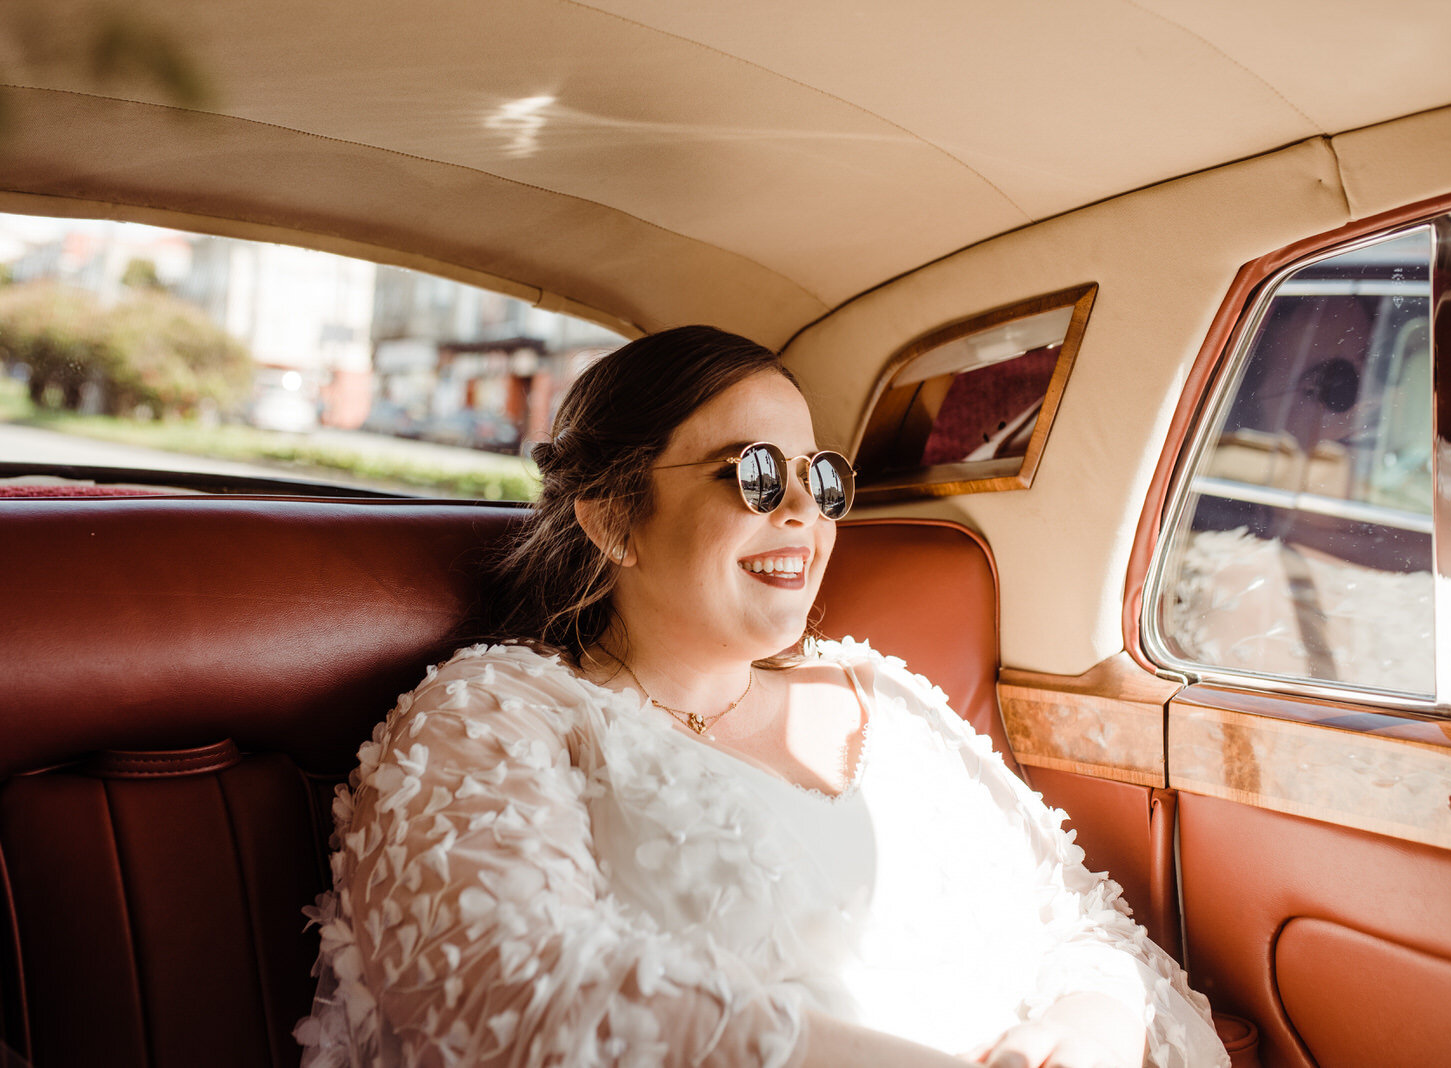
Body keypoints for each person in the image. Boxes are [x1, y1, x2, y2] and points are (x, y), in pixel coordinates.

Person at [294, 327, 1230, 1068]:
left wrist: (1091, 1024)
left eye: (820, 478)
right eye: (752, 474)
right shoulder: (492, 715)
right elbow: (514, 997)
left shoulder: (886, 696)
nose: (802, 512)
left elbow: (1083, 921)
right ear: (614, 515)